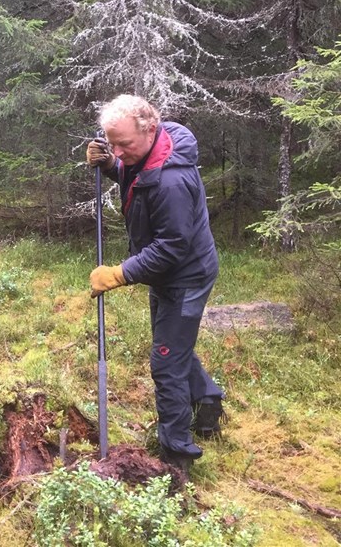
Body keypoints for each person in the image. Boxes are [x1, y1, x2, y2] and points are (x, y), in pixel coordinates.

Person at [86, 94, 225, 477]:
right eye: (111, 142)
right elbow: (137, 177)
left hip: (186, 275)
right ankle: (208, 400)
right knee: (172, 346)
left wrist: (119, 273)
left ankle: (177, 458)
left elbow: (171, 248)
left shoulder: (172, 181)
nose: (118, 149)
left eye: (123, 144)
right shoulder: (151, 152)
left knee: (166, 362)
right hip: (167, 274)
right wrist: (113, 163)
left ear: (149, 130)